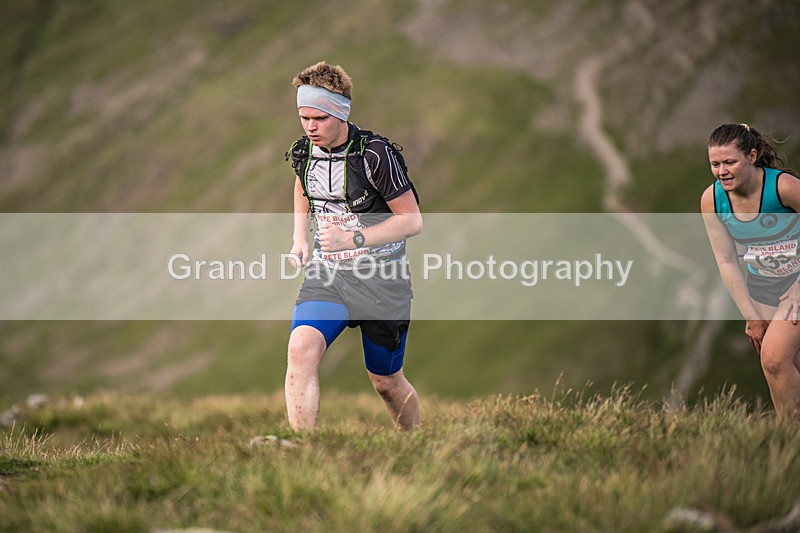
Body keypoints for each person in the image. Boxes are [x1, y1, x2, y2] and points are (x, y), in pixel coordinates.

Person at [284, 61, 422, 431]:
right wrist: (300, 238)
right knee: (300, 351)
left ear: (340, 113)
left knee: (386, 383)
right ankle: (303, 456)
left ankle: (416, 447)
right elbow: (302, 186)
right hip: (329, 275)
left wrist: (355, 238)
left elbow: (412, 221)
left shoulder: (375, 154)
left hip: (383, 281)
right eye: (304, 118)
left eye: (319, 118)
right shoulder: (304, 151)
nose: (310, 127)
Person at [701, 123, 800, 420]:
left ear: (752, 156)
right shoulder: (713, 200)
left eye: (730, 162)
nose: (722, 171)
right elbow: (726, 260)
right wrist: (751, 316)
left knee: (773, 359)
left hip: (796, 286)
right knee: (789, 366)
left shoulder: (783, 187)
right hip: (763, 291)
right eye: (715, 164)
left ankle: (788, 438)